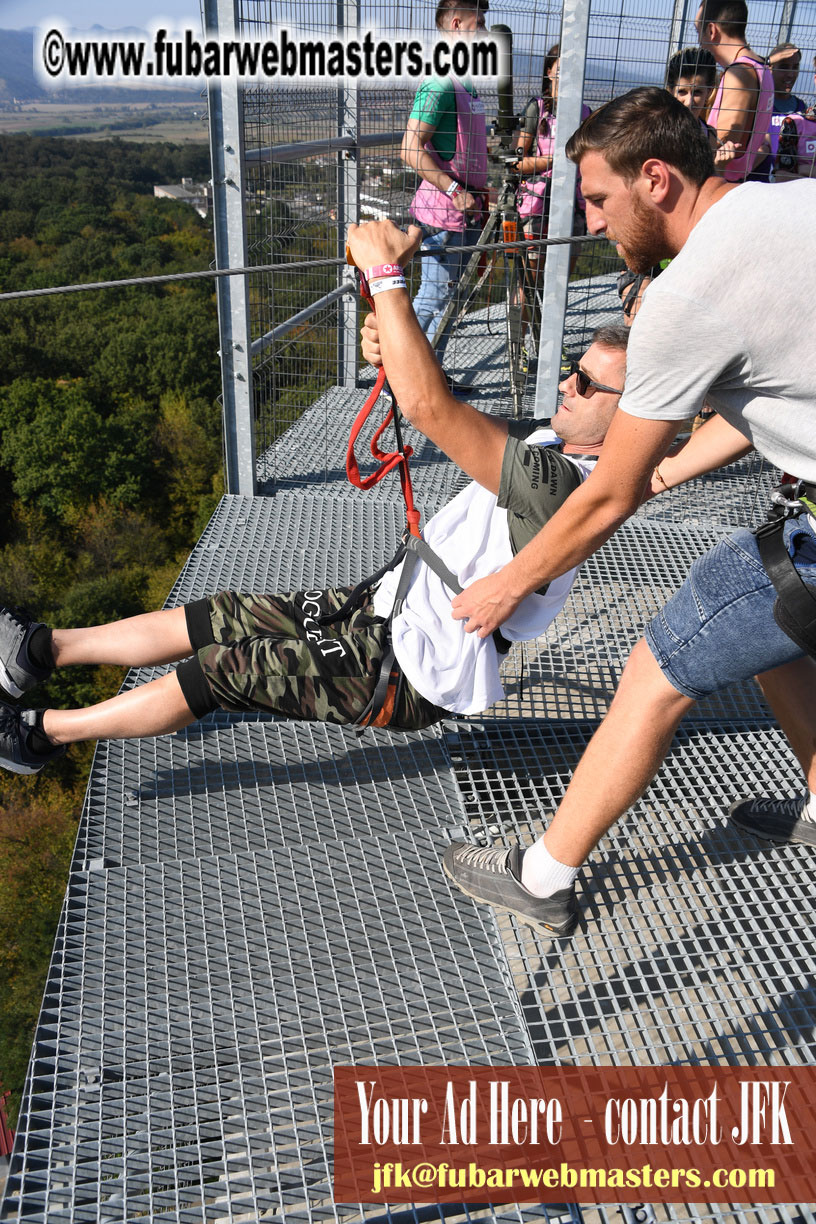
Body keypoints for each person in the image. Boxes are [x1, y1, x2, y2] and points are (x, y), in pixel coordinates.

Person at [424, 86, 816, 937]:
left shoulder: (690, 294)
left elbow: (609, 492)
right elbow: (780, 383)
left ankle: (543, 874)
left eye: (599, 199)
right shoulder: (789, 205)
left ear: (656, 179)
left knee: (659, 666)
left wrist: (508, 584)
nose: (594, 223)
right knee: (778, 636)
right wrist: (670, 467)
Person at [0, 290, 629, 776]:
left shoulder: (559, 485)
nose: (569, 384)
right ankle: (41, 651)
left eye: (590, 383)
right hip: (389, 609)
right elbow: (437, 398)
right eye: (575, 369)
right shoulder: (562, 446)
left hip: (408, 665)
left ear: (629, 412)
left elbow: (431, 408)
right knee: (222, 616)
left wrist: (389, 285)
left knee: (228, 668)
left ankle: (41, 734)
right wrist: (397, 346)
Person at [400, 0, 490, 378]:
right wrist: (455, 189)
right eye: (480, 22)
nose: (486, 32)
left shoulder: (465, 79)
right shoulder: (439, 81)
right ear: (457, 23)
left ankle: (432, 377)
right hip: (444, 213)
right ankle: (405, 380)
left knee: (449, 298)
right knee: (433, 297)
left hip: (465, 212)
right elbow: (408, 147)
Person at [617, 47, 717, 325]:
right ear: (670, 91)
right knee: (637, 311)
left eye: (697, 92)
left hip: (686, 234)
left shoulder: (708, 135)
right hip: (650, 228)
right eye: (682, 92)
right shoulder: (655, 132)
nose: (689, 100)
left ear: (709, 91)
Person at [515, 43, 591, 277]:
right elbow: (517, 162)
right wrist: (555, 161)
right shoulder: (536, 109)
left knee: (561, 278)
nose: (567, 74)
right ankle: (524, 315)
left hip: (572, 207)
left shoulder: (584, 113)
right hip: (536, 205)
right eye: (561, 67)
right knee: (530, 280)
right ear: (549, 71)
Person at [695, 0, 773, 181]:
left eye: (698, 31)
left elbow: (724, 142)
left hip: (722, 182)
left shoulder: (740, 73)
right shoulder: (760, 67)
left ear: (712, 31)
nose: (699, 41)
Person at [751, 42, 808, 180]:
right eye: (783, 67)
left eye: (795, 67)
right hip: (756, 188)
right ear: (770, 68)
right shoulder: (757, 105)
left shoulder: (802, 110)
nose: (790, 74)